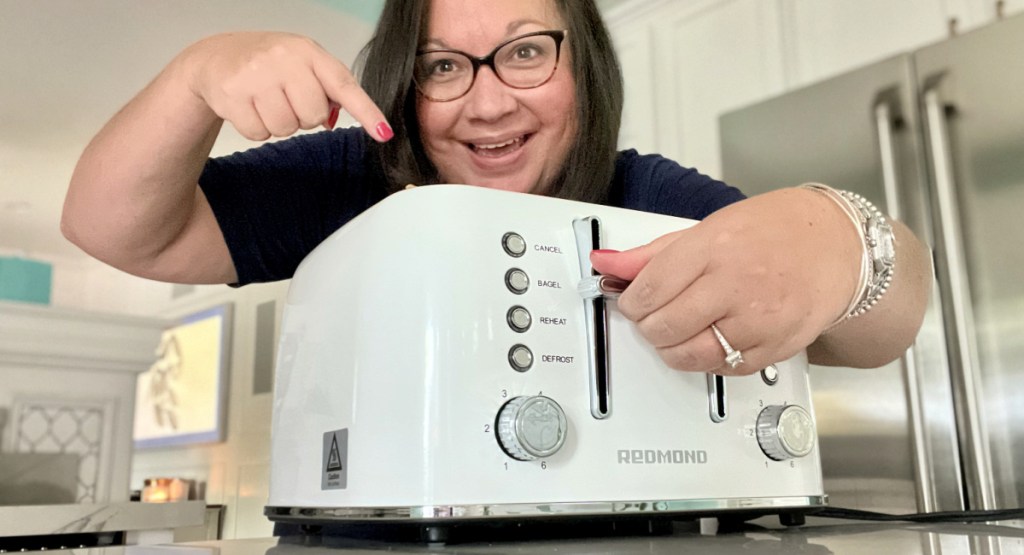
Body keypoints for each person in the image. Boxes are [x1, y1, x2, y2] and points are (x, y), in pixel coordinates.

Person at [62, 0, 931, 376]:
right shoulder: (356, 184)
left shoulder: (646, 192)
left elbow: (882, 332)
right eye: (443, 66)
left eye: (523, 52)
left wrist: (844, 240)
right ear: (406, 84)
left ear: (581, 67)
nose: (485, 103)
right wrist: (193, 75)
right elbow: (114, 228)